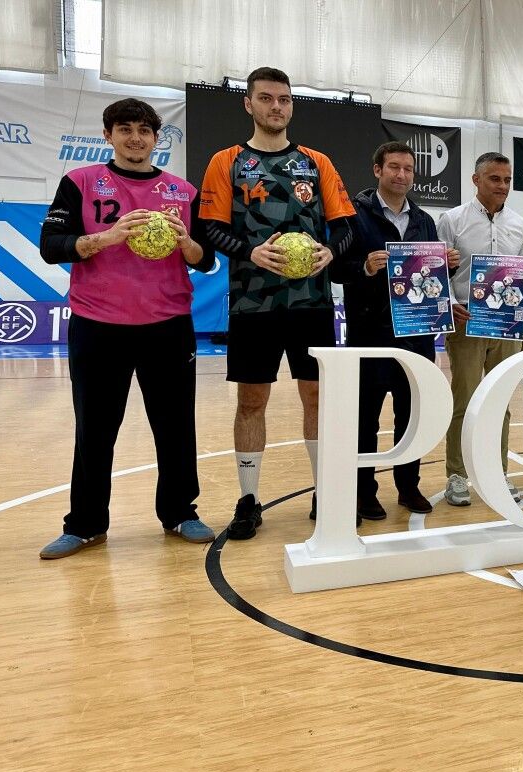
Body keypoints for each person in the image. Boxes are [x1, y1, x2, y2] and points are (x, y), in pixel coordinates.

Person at [37, 97, 216, 558]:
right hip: (99, 325)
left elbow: (207, 258)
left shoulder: (182, 191)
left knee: (175, 426)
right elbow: (51, 246)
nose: (135, 138)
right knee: (94, 428)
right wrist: (108, 237)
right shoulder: (80, 182)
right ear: (108, 136)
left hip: (168, 325)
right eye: (125, 129)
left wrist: (185, 244)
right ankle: (85, 524)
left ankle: (181, 512)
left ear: (157, 138)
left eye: (144, 130)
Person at [199, 66, 356, 539]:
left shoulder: (316, 162)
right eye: (266, 98)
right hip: (253, 304)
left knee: (316, 397)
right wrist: (249, 251)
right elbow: (209, 227)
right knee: (251, 400)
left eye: (284, 99)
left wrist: (331, 251)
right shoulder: (226, 161)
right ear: (248, 104)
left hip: (311, 303)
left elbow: (345, 227)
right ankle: (248, 499)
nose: (276, 107)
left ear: (291, 106)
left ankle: (322, 491)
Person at [333, 140, 461, 518]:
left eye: (407, 169)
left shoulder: (424, 220)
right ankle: (364, 491)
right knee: (366, 418)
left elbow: (430, 277)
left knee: (411, 415)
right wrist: (365, 267)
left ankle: (409, 487)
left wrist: (448, 265)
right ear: (377, 170)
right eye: (393, 167)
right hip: (370, 331)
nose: (401, 174)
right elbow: (336, 268)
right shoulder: (353, 214)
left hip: (417, 334)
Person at [436, 152, 523, 506]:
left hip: (507, 323)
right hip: (467, 321)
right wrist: (451, 302)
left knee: (500, 401)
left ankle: (497, 473)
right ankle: (457, 475)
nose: (502, 186)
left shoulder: (519, 225)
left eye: (507, 180)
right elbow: (438, 271)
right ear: (476, 180)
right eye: (495, 179)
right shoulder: (451, 220)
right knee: (464, 399)